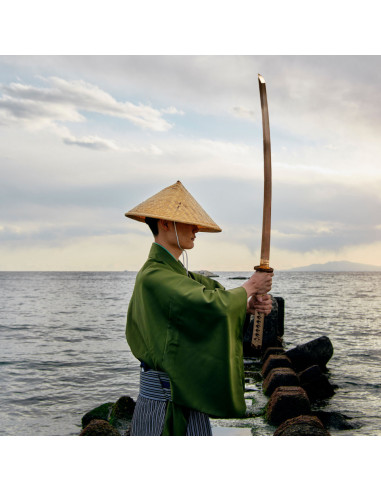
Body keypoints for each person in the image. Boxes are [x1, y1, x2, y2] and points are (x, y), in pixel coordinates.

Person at [125, 180, 273, 436]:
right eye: (189, 221)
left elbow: (215, 297)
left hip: (186, 394)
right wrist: (250, 285)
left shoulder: (178, 275)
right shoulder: (154, 276)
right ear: (164, 223)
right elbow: (210, 304)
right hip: (163, 401)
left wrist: (247, 307)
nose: (195, 229)